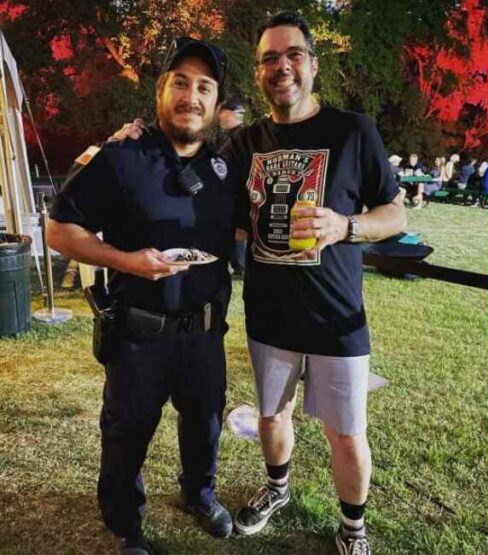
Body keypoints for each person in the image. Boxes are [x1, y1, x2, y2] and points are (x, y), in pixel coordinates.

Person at [113, 13, 407, 553]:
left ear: (313, 65)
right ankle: (277, 489)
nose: (282, 67)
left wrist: (348, 226)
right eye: (270, 58)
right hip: (269, 313)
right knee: (273, 415)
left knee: (346, 431)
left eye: (293, 54)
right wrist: (135, 143)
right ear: (259, 71)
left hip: (338, 315)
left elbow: (396, 214)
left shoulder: (352, 130)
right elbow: (186, 175)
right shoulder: (243, 144)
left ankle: (353, 529)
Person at [48, 38, 236, 553]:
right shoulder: (121, 158)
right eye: (180, 83)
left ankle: (199, 493)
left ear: (216, 103)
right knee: (126, 434)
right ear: (160, 91)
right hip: (138, 333)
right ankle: (125, 523)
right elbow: (60, 231)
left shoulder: (225, 172)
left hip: (203, 332)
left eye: (204, 87)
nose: (190, 96)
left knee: (205, 424)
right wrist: (126, 261)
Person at [218, 98, 248, 278]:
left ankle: (240, 266)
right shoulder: (237, 136)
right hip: (236, 190)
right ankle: (239, 266)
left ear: (233, 114)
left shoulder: (240, 136)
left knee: (236, 228)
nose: (220, 117)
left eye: (223, 112)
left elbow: (222, 159)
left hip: (240, 191)